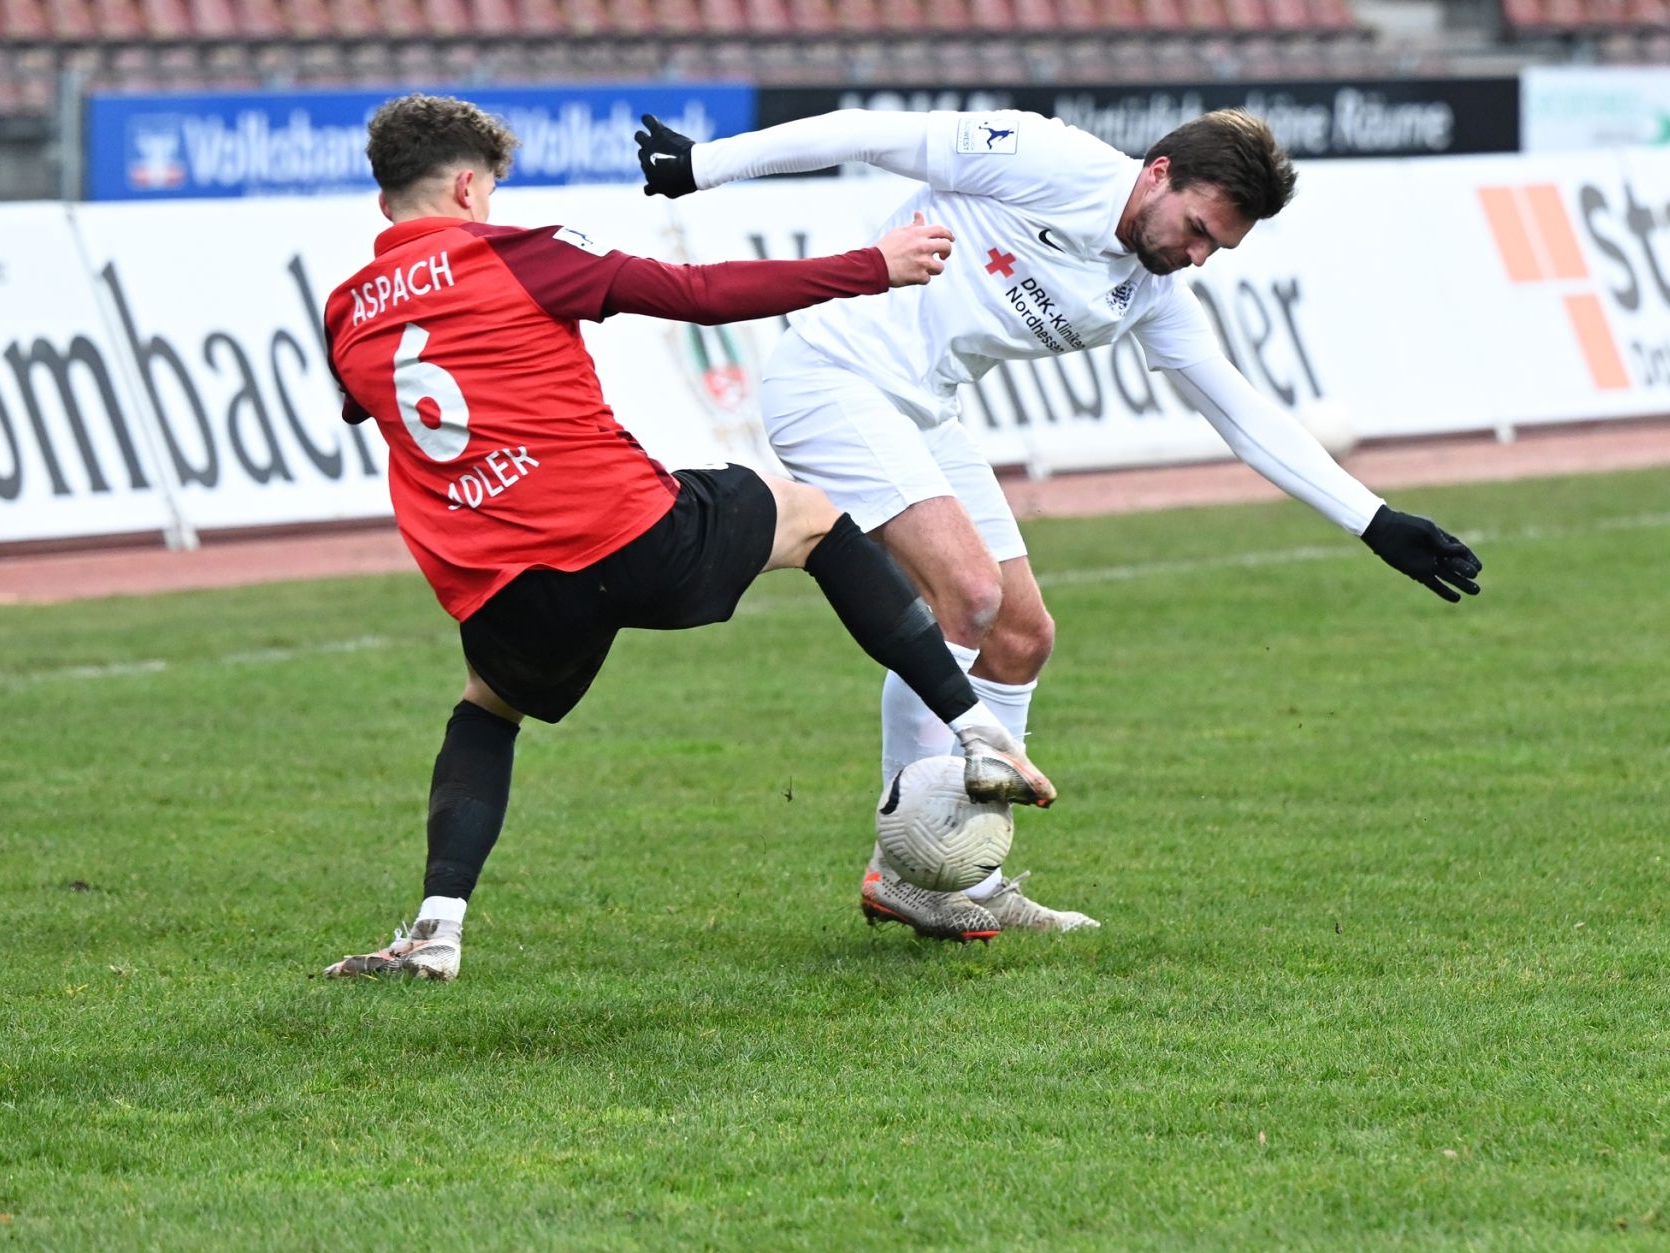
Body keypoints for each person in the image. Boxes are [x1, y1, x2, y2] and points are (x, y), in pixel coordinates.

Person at [635, 106, 1483, 938]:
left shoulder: (1150, 290)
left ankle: (974, 873)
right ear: (1157, 173)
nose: (1192, 258)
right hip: (832, 379)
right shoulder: (1047, 159)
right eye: (1194, 229)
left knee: (1020, 635)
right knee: (967, 596)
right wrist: (704, 165)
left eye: (1213, 250)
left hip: (923, 411)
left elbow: (1238, 408)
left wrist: (1372, 521)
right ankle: (904, 874)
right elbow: (870, 132)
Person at [319, 94, 1059, 983]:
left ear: (383, 201)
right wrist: (870, 266)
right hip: (626, 531)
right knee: (816, 520)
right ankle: (978, 730)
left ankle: (436, 931)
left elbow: (370, 402)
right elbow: (698, 296)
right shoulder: (521, 254)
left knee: (488, 708)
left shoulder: (346, 310)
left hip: (500, 581)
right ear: (470, 188)